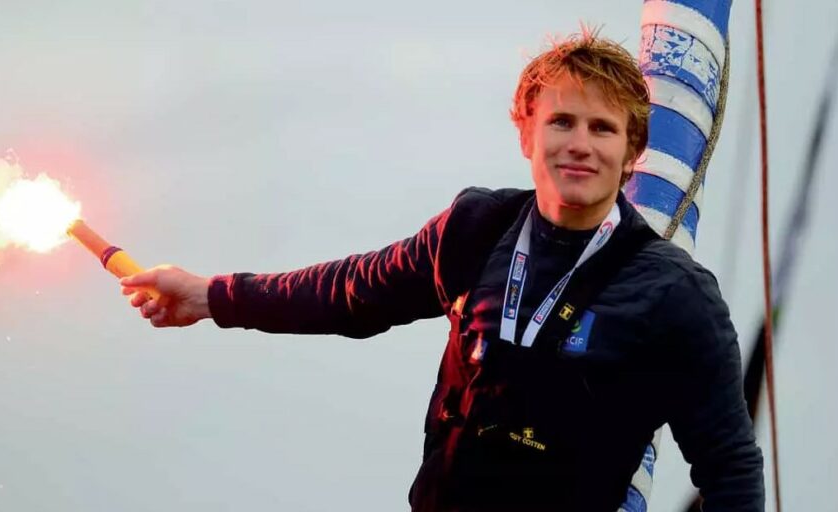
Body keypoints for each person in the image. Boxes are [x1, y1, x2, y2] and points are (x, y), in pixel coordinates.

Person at [121, 29, 764, 512]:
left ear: (631, 154)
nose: (579, 142)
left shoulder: (676, 292)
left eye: (602, 128)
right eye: (561, 120)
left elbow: (729, 468)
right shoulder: (476, 228)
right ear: (526, 135)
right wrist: (212, 296)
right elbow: (350, 293)